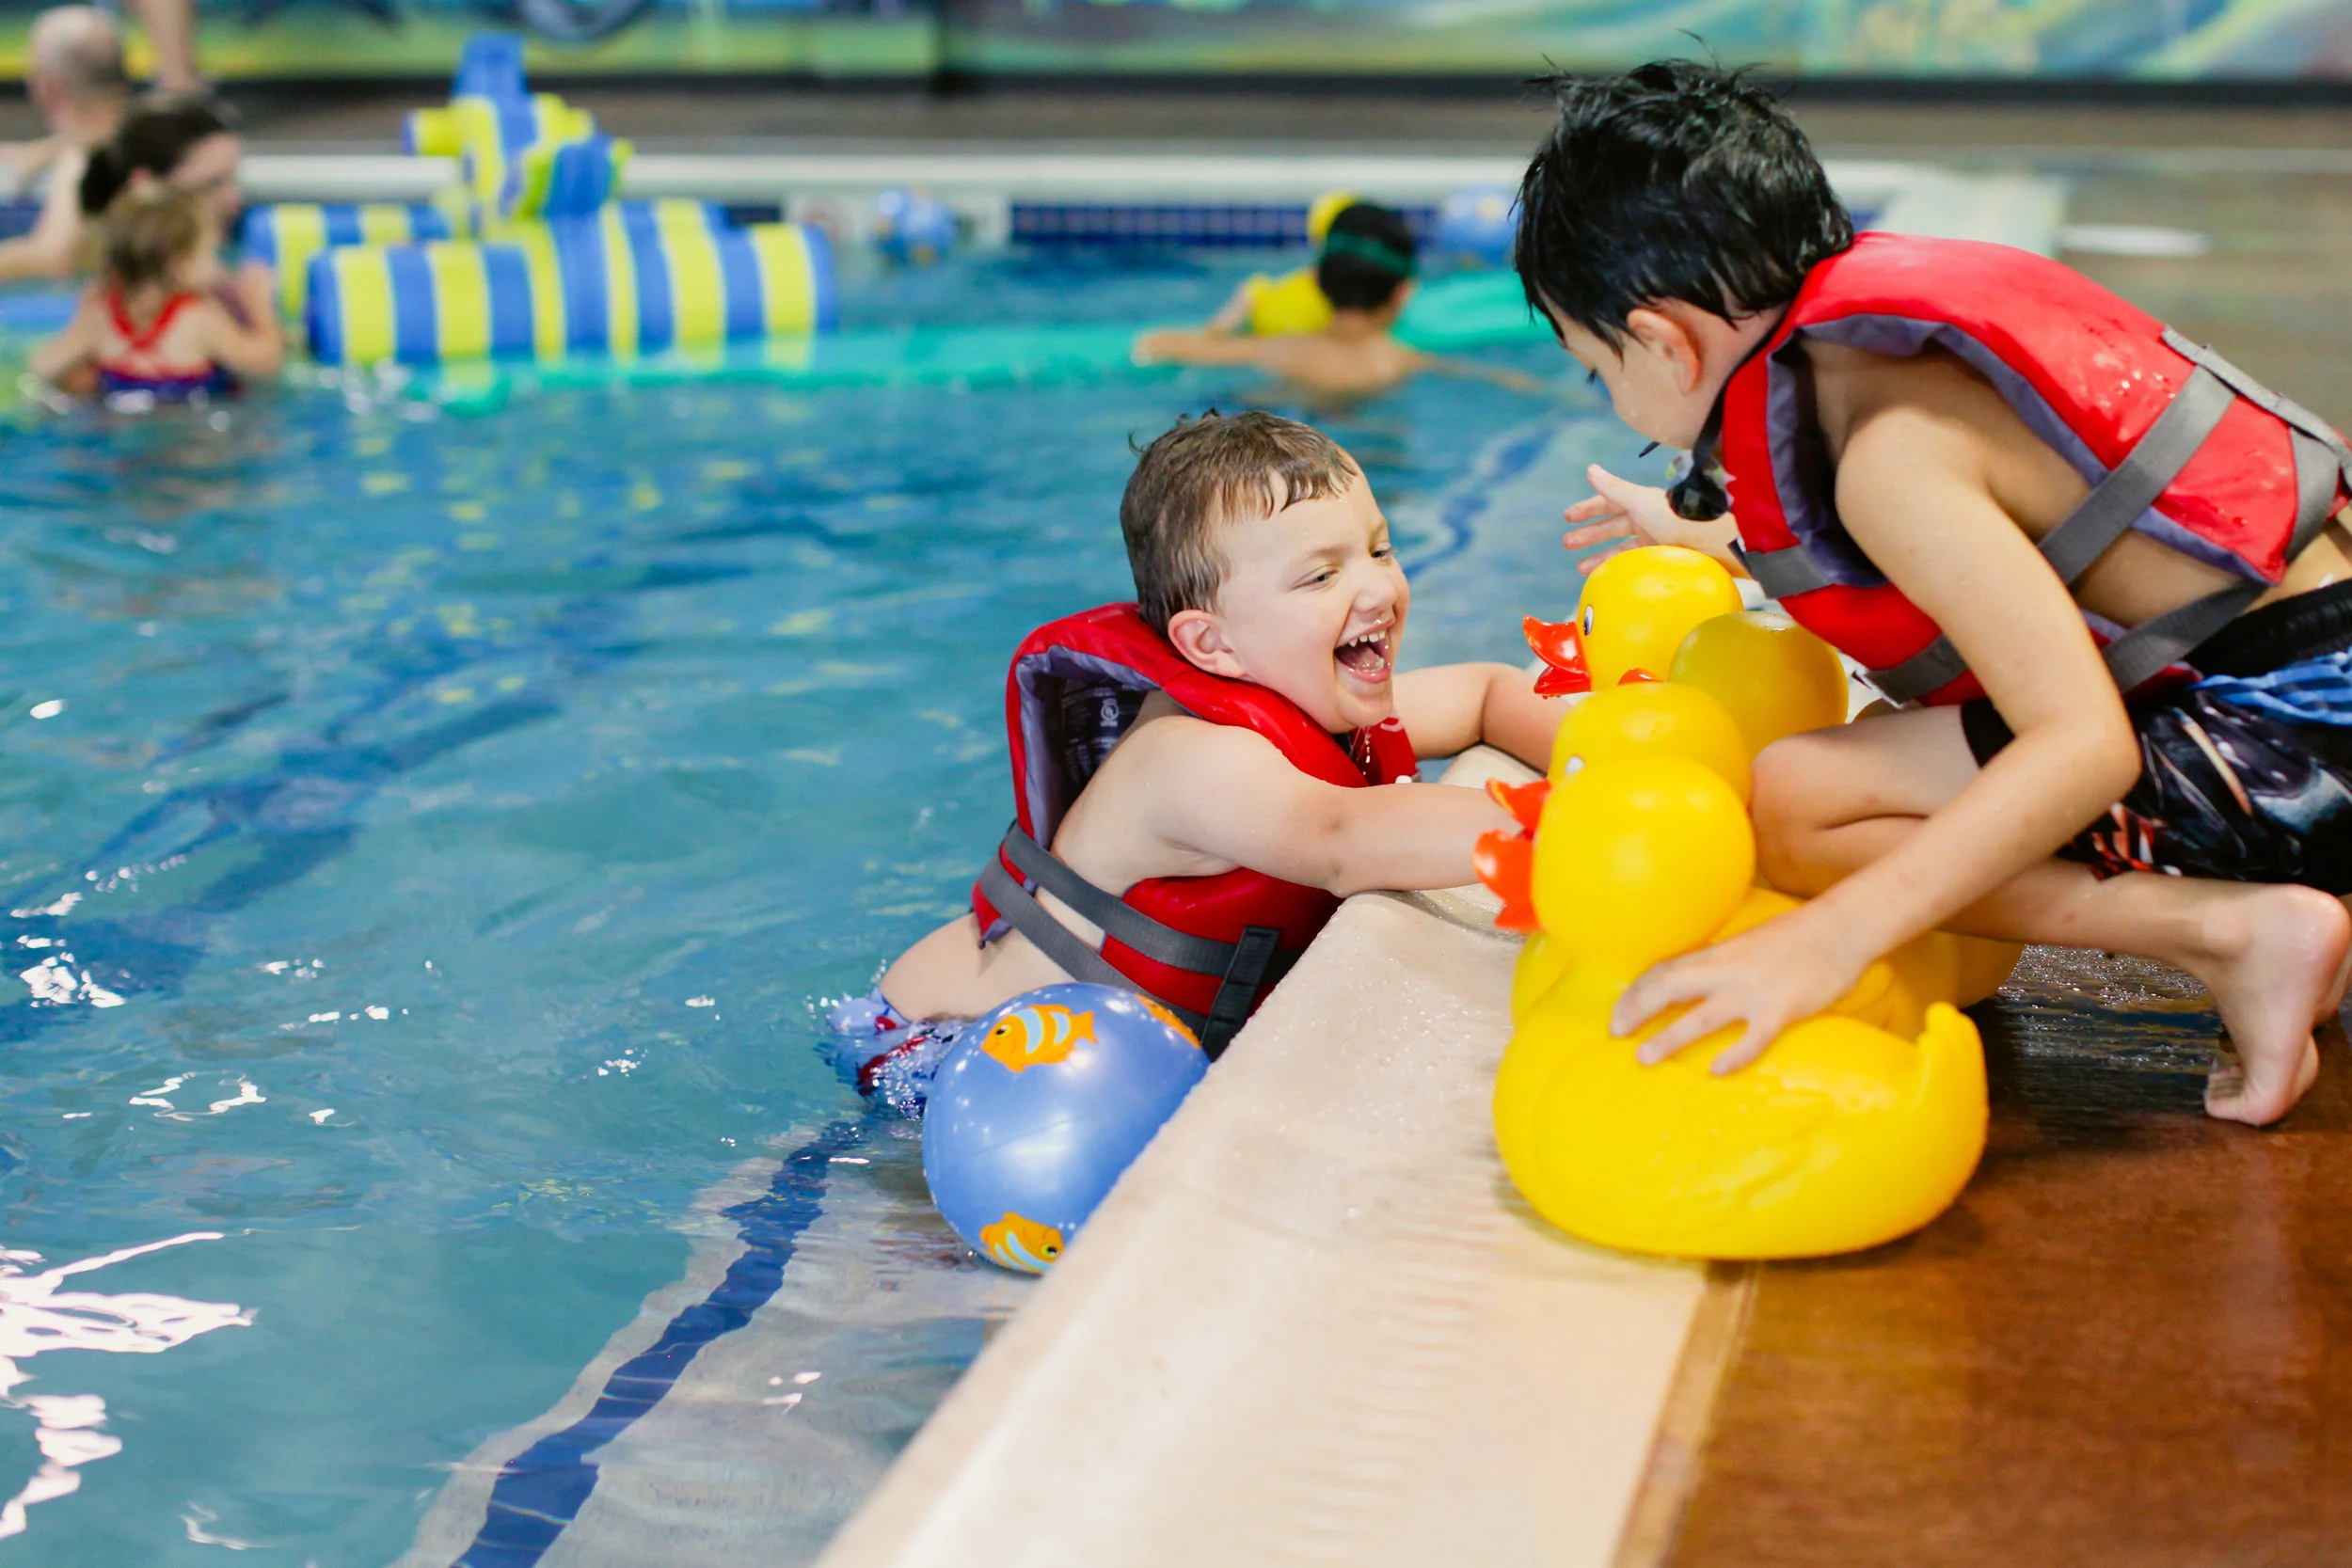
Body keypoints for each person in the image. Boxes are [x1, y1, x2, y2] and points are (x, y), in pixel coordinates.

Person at [1518, 60, 2352, 1127]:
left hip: (2303, 741)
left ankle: (2236, 938)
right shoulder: (1887, 370)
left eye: (1598, 369)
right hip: (2316, 676)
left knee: (1794, 806)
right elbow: (2027, 535)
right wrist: (1714, 531)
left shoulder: (1887, 460)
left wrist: (1821, 942)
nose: (1609, 393)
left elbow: (2081, 745)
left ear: (1660, 341)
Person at [834, 410, 1562, 1110]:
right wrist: (1582, 818)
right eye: (1320, 576)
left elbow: (1487, 691)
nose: (1378, 588)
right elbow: (1345, 839)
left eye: (1379, 549)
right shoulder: (1191, 763)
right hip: (941, 1048)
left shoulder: (1310, 691)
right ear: (1212, 645)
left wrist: (1604, 751)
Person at [1135, 202, 1547, 401]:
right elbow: (1506, 381)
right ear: (1404, 293)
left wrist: (1228, 321)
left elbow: (1153, 345)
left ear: (1316, 280)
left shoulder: (1274, 352)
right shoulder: (1403, 361)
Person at [32, 182, 279, 401]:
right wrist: (259, 305)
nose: (218, 262)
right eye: (210, 251)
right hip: (192, 434)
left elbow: (44, 365)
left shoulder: (101, 313)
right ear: (180, 266)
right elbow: (266, 362)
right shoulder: (199, 318)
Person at [0, 7, 131, 281]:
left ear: (46, 86)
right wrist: (47, 150)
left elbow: (53, 256)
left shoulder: (82, 160)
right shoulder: (138, 133)